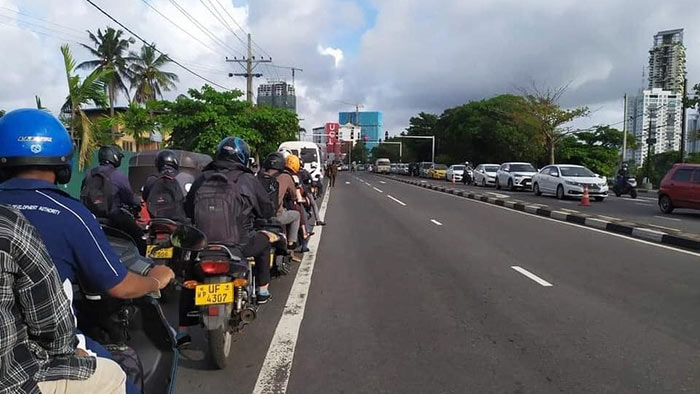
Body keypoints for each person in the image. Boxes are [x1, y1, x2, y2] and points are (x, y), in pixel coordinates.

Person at [0, 108, 174, 394]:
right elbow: (118, 286)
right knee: (118, 378)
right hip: (26, 362)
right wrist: (157, 279)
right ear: (63, 167)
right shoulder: (69, 214)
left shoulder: (90, 184)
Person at [0, 204, 127, 394]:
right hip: (8, 380)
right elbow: (50, 323)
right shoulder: (9, 221)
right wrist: (155, 280)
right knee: (112, 375)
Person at [82, 145, 146, 255]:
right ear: (115, 157)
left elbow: (83, 194)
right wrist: (137, 203)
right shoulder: (117, 175)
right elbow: (129, 198)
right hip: (114, 218)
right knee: (139, 235)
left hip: (91, 218)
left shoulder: (90, 174)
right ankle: (142, 264)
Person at [262, 152, 302, 247]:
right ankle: (291, 243)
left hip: (259, 217)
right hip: (277, 215)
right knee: (296, 215)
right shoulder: (286, 176)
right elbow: (294, 195)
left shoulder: (259, 175)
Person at [142, 150, 187, 222]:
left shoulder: (151, 180)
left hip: (156, 221)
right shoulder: (182, 178)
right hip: (177, 221)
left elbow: (145, 197)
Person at [298, 160, 325, 226]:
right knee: (313, 204)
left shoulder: (294, 173)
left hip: (297, 192)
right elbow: (312, 182)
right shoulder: (305, 172)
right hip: (306, 191)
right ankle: (317, 220)